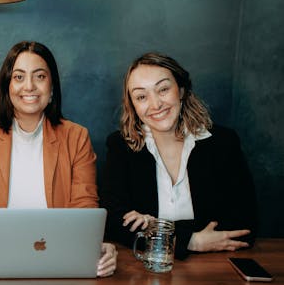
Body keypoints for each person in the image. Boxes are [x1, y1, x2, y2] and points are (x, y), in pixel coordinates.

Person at [0, 41, 117, 277]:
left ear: (52, 86)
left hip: (60, 259)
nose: (29, 86)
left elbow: (85, 212)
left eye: (39, 76)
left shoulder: (77, 137)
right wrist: (20, 235)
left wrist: (91, 245)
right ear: (7, 85)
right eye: (18, 77)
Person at [100, 52, 257, 260]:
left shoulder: (222, 143)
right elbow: (113, 223)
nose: (155, 104)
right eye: (141, 96)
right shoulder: (121, 147)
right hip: (148, 268)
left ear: (181, 90)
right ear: (133, 106)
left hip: (215, 270)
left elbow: (243, 223)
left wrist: (155, 226)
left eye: (163, 89)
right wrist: (192, 240)